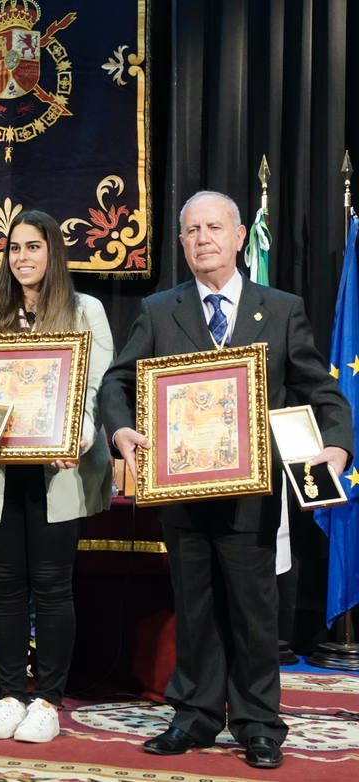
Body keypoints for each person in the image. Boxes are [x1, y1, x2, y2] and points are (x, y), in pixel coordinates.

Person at [99, 190, 352, 770]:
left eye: (214, 228)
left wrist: (335, 445)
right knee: (193, 607)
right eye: (190, 230)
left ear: (241, 237)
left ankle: (259, 723)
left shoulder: (281, 308)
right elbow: (117, 383)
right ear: (181, 242)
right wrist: (121, 432)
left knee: (253, 613)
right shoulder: (160, 309)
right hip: (181, 492)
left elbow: (320, 389)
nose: (202, 239)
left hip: (252, 496)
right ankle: (194, 716)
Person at [0, 210, 114, 743]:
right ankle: (11, 696)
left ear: (53, 253)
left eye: (33, 247)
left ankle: (48, 702)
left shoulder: (87, 312)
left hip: (59, 468)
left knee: (54, 587)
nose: (23, 257)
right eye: (14, 248)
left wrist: (79, 435)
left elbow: (98, 385)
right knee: (7, 585)